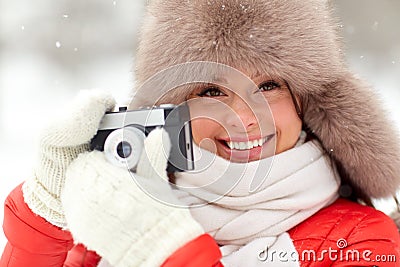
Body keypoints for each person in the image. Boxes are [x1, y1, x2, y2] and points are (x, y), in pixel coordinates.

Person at [1, 0, 400, 266]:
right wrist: (46, 217)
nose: (246, 118)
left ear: (308, 101)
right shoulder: (115, 219)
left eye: (268, 86)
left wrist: (162, 248)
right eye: (211, 91)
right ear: (173, 112)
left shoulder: (360, 240)